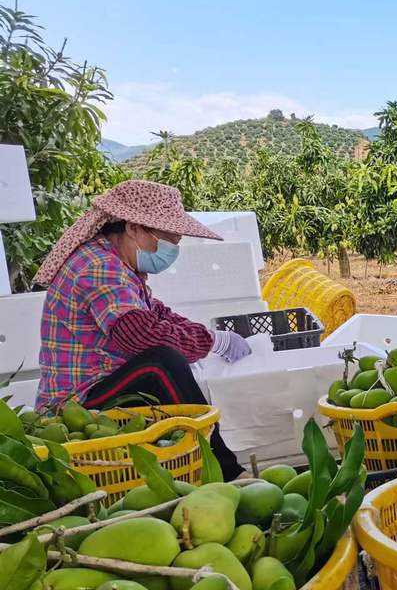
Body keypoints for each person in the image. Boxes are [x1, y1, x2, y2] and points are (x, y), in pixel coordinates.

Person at [34, 179, 252, 480]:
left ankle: (204, 467)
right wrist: (210, 342)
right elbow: (140, 335)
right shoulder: (98, 267)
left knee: (166, 360)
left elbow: (158, 313)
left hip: (102, 387)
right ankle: (226, 471)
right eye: (166, 240)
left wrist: (212, 338)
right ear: (133, 228)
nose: (171, 251)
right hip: (76, 406)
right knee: (161, 364)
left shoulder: (119, 265)